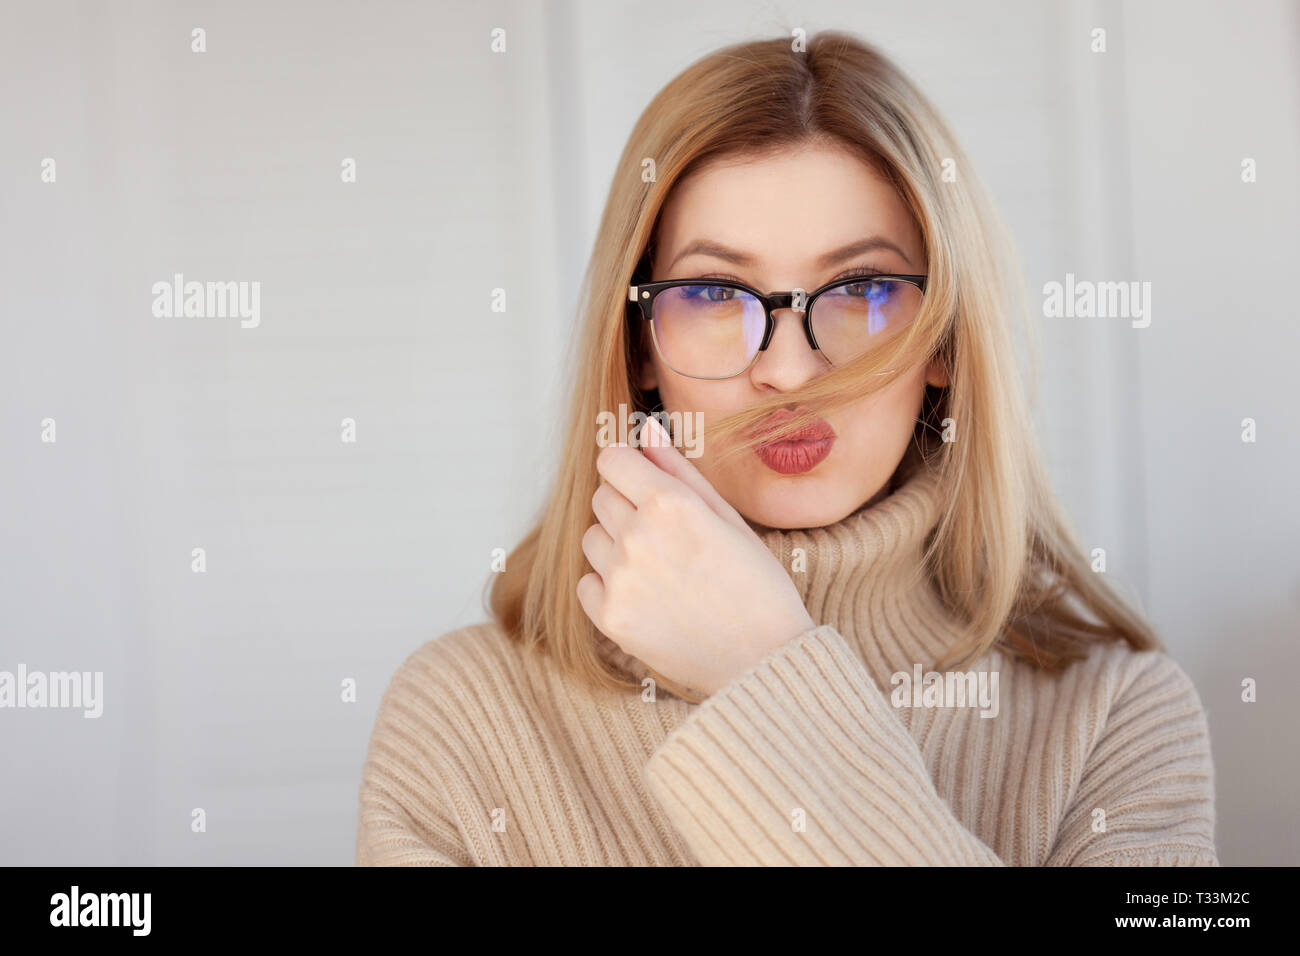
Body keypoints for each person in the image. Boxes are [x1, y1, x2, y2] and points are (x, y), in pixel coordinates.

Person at [356, 31, 1217, 866]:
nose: (791, 369)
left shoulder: (1117, 717)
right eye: (713, 292)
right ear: (640, 347)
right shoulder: (458, 721)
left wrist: (762, 671)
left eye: (865, 288)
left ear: (947, 340)